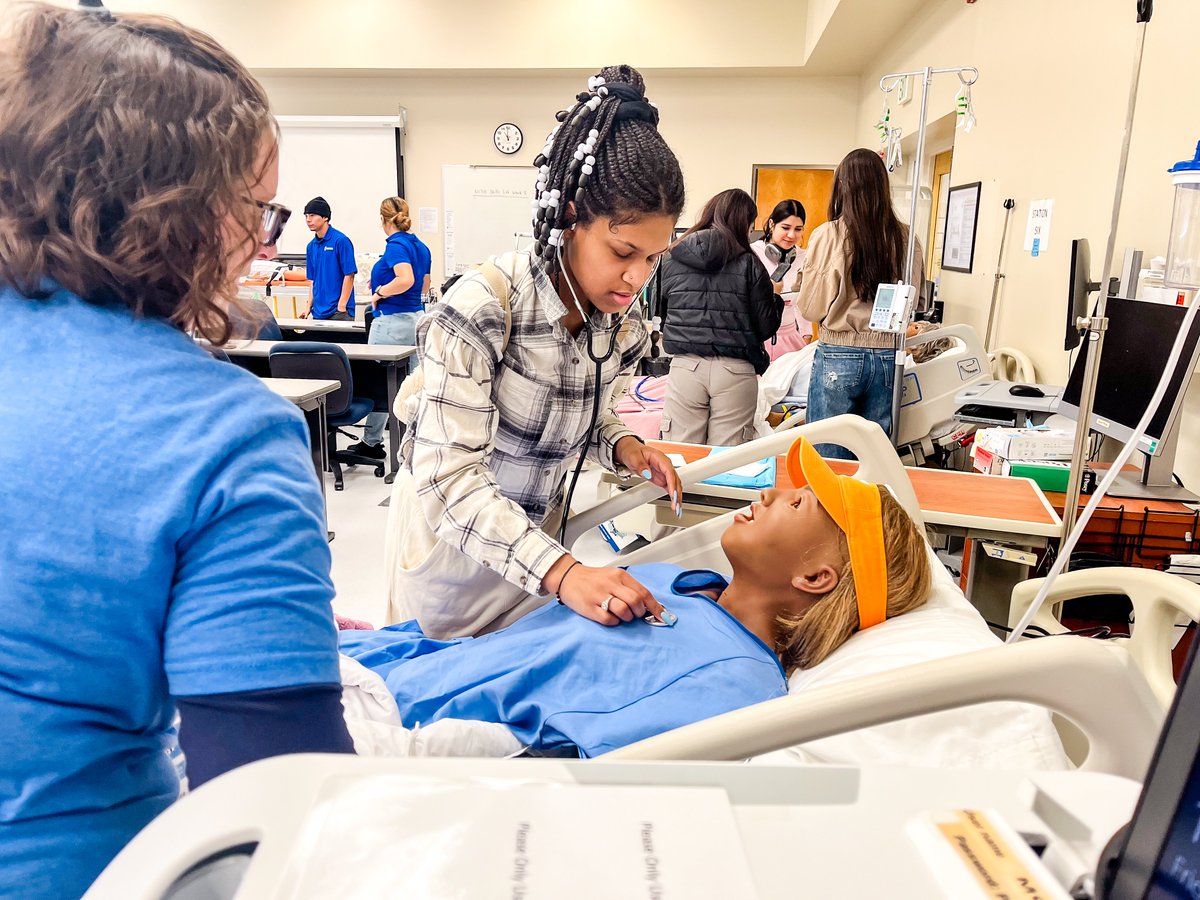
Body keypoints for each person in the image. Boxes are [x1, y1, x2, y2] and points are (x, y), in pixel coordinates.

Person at [0, 6, 353, 896]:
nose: (262, 240)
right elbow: (280, 808)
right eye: (256, 209)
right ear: (184, 211)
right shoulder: (224, 436)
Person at [342, 437, 931, 757]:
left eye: (797, 504)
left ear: (816, 579)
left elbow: (552, 767)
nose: (775, 496)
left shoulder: (737, 683)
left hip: (395, 724)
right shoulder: (679, 587)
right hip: (399, 665)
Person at [389, 65, 686, 639]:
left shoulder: (621, 324)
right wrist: (565, 572)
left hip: (538, 553)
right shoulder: (485, 307)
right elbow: (450, 481)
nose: (636, 278)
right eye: (623, 250)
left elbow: (583, 416)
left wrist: (624, 446)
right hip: (456, 552)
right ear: (571, 218)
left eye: (653, 258)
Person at [798, 148, 925, 458]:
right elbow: (914, 301)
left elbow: (810, 308)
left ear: (842, 186)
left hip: (838, 355)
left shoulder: (829, 235)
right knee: (873, 456)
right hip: (887, 357)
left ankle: (828, 508)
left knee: (828, 456)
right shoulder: (906, 238)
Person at [659, 188, 781, 446]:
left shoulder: (672, 257)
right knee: (725, 466)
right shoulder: (751, 263)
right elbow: (765, 326)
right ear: (744, 223)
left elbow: (662, 311)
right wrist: (776, 301)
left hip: (685, 367)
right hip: (734, 370)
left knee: (680, 456)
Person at [349, 196, 433, 459]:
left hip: (392, 322)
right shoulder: (421, 247)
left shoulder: (395, 245)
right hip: (417, 321)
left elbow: (406, 279)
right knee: (414, 386)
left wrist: (380, 293)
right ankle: (417, 443)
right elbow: (425, 286)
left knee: (378, 384)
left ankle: (372, 443)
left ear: (383, 220)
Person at [751, 198, 814, 360]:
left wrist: (806, 333)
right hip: (758, 337)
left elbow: (803, 298)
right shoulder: (752, 253)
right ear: (772, 225)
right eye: (785, 227)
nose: (792, 235)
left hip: (791, 338)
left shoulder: (803, 257)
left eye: (798, 229)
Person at [301, 195, 357, 320]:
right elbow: (312, 280)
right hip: (318, 312)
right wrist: (308, 307)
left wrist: (341, 306)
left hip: (338, 312)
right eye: (306, 216)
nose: (308, 220)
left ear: (325, 217)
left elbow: (349, 275)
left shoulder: (341, 241)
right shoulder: (311, 246)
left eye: (312, 215)